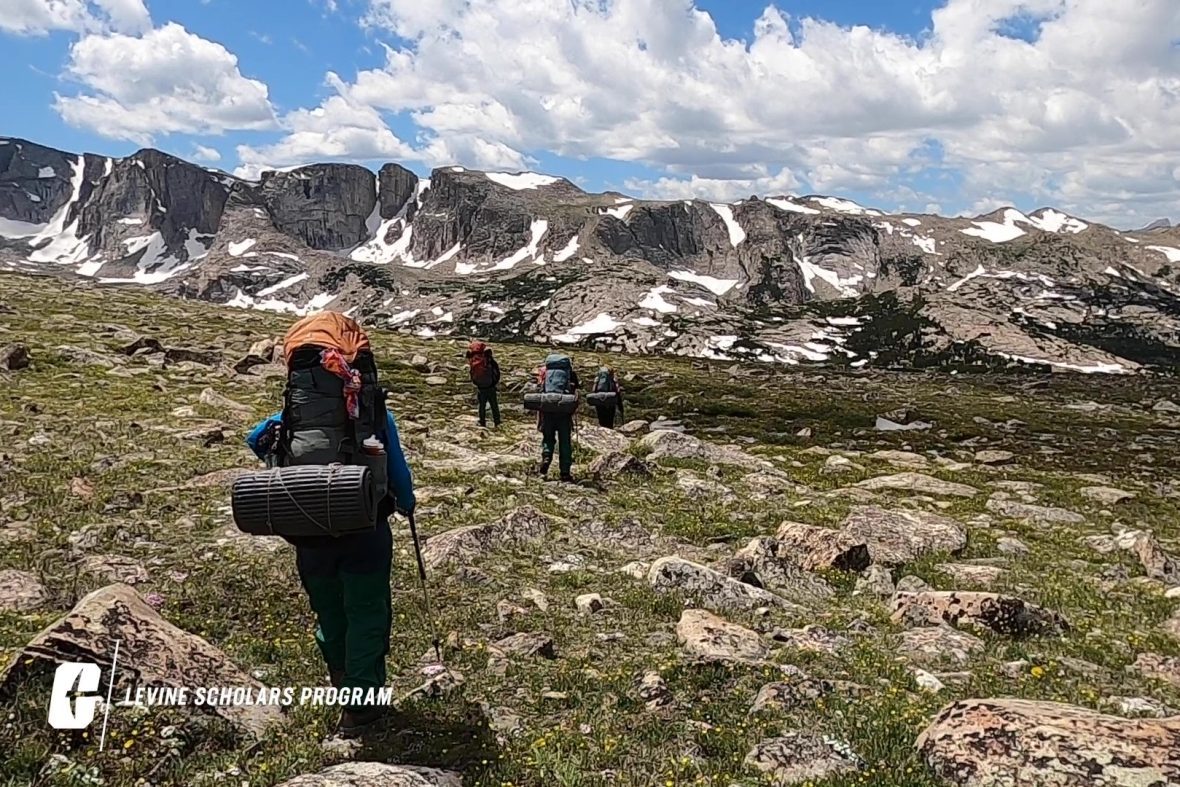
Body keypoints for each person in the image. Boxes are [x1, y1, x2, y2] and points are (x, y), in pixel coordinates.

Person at [245, 312, 414, 738]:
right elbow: (399, 474)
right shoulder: (369, 412)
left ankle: (343, 686)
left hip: (310, 535)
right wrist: (405, 503)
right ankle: (362, 707)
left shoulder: (293, 415)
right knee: (367, 614)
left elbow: (255, 440)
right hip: (366, 533)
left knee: (330, 613)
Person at [535, 353, 579, 482]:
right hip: (564, 412)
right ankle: (565, 472)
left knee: (548, 437)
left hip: (548, 410)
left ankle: (547, 456)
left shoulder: (545, 373)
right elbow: (576, 390)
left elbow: (540, 388)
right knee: (565, 441)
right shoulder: (570, 374)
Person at [466, 340, 501, 427]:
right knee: (494, 405)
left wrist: (477, 383)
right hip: (490, 386)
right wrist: (494, 382)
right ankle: (497, 421)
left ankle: (482, 421)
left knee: (482, 405)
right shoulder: (487, 357)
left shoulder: (472, 359)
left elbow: (472, 373)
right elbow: (496, 370)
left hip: (481, 387)